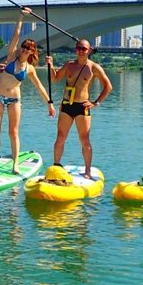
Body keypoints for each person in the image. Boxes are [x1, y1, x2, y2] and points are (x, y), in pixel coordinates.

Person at [0, 8, 55, 173]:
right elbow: (15, 35)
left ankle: (15, 164)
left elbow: (39, 86)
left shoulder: (30, 68)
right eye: (24, 47)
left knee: (13, 132)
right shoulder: (11, 57)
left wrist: (49, 103)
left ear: (32, 52)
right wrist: (21, 16)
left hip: (15, 100)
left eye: (28, 48)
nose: (24, 49)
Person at [45, 39, 113, 180]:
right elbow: (54, 78)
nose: (81, 51)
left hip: (82, 106)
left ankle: (87, 170)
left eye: (84, 48)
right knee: (60, 138)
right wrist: (50, 65)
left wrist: (96, 103)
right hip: (67, 105)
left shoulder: (94, 67)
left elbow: (108, 86)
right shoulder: (69, 65)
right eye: (78, 48)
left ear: (89, 50)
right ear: (75, 50)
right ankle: (56, 166)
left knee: (85, 140)